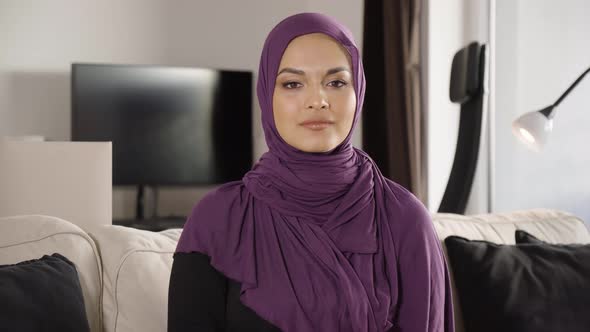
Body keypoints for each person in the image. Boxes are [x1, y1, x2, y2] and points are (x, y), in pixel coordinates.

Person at [168, 12, 455, 332]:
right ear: (267, 95)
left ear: (357, 91)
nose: (317, 100)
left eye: (336, 82)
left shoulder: (404, 219)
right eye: (292, 83)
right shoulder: (218, 219)